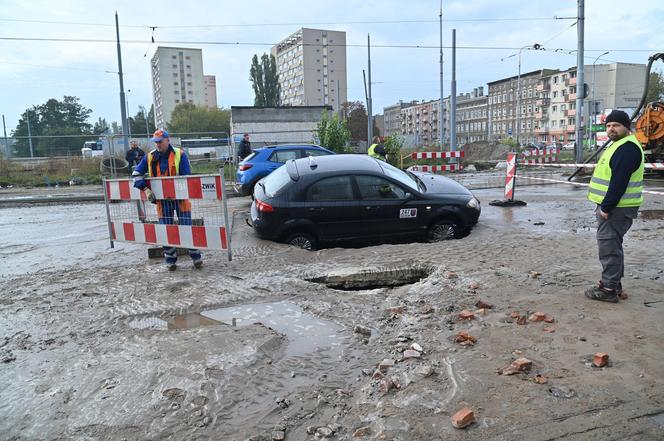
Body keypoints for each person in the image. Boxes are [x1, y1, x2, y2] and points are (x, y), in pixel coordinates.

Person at [585, 110, 644, 303]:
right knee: (613, 246)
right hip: (616, 207)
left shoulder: (626, 148)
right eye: (608, 125)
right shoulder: (619, 145)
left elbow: (619, 182)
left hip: (616, 208)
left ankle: (608, 289)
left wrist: (606, 208)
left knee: (609, 247)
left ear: (626, 127)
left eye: (616, 125)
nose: (611, 129)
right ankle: (614, 285)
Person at [132, 129, 203, 271]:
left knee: (186, 227)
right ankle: (170, 260)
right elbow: (136, 174)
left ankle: (196, 257)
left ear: (167, 140)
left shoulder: (180, 154)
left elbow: (187, 177)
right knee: (165, 230)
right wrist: (145, 189)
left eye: (160, 142)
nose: (157, 145)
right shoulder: (149, 157)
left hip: (181, 198)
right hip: (162, 201)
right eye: (156, 142)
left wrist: (179, 190)